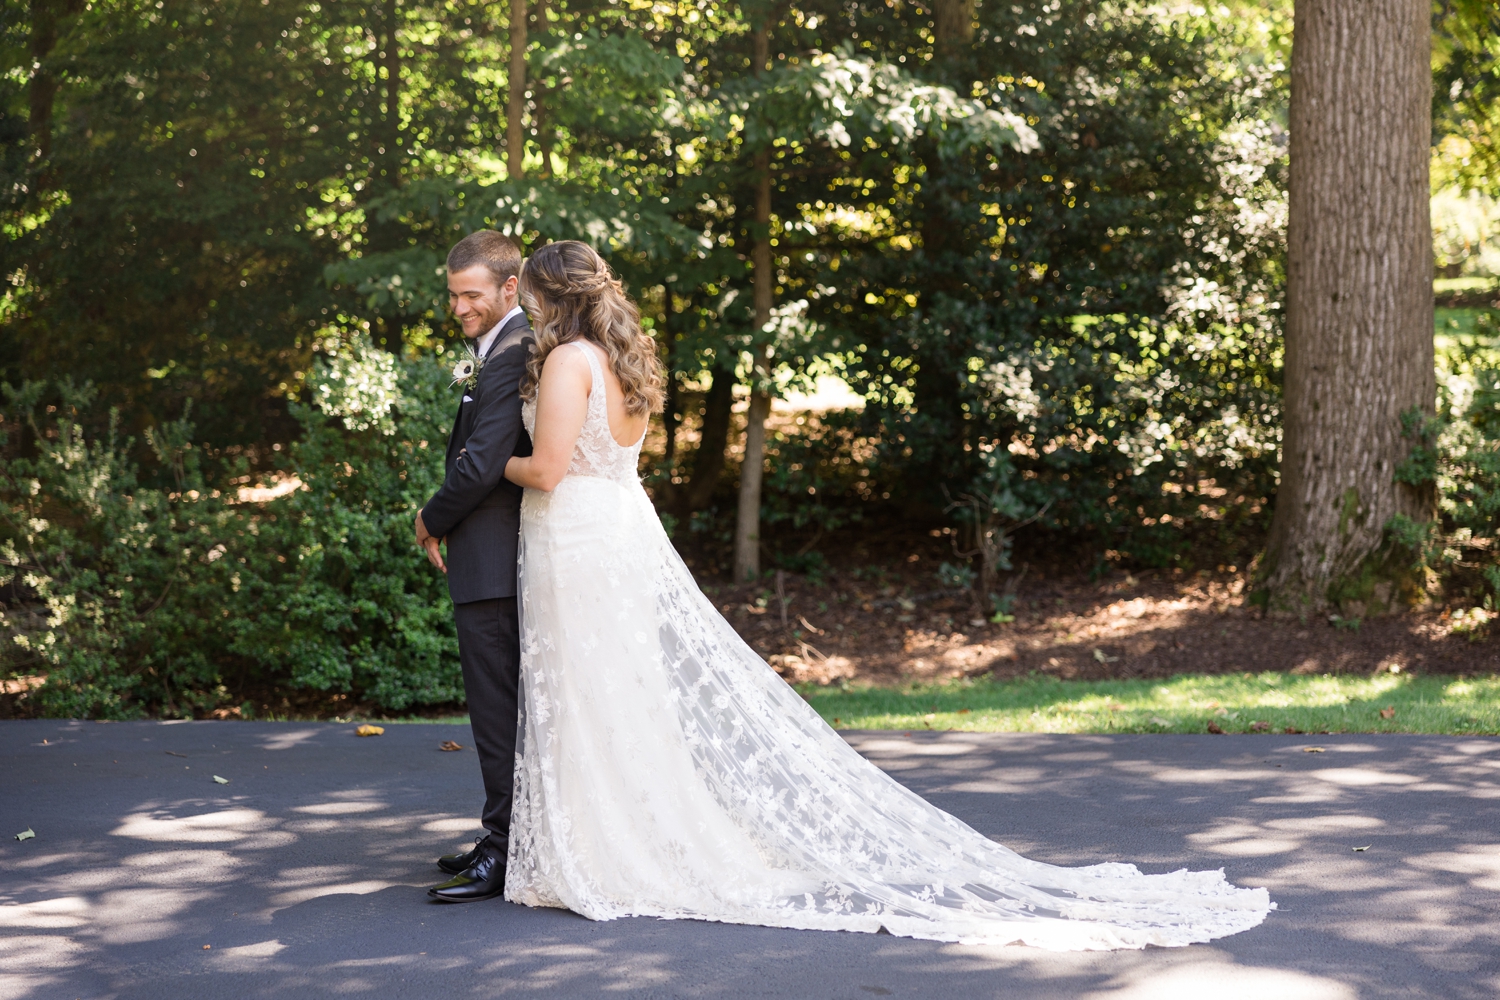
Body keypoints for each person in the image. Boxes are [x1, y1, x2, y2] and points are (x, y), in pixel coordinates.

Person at [499, 239, 1273, 949]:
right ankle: (619, 838)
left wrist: (488, 466)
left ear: (552, 296)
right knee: (618, 694)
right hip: (617, 530)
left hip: (578, 538)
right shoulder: (619, 357)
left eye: (531, 296)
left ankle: (603, 854)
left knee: (586, 691)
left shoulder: (569, 358)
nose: (526, 309)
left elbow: (548, 468)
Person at [415, 231, 533, 903]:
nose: (459, 308)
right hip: (489, 555)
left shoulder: (515, 349)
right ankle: (503, 835)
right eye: (453, 294)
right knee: (502, 709)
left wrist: (430, 517)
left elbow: (483, 463)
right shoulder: (494, 349)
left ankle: (505, 849)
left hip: (494, 559)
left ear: (509, 289)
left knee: (498, 711)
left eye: (472, 295)